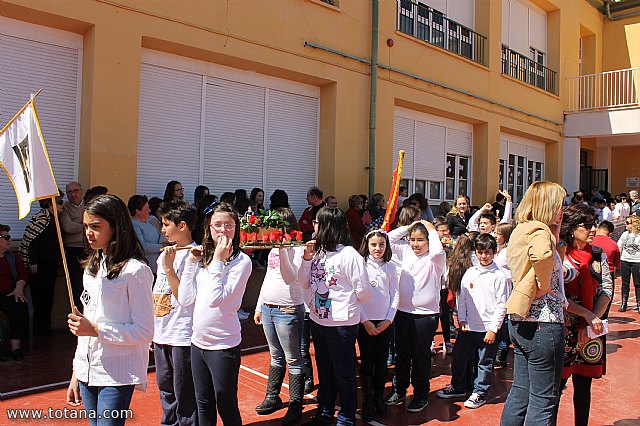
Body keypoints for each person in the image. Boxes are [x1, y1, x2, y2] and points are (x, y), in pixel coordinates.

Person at [66, 195, 154, 424]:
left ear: (116, 227)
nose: (88, 233)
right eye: (85, 226)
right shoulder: (92, 268)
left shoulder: (135, 272)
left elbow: (145, 332)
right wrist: (77, 371)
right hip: (88, 371)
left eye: (96, 227)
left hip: (117, 373)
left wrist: (96, 329)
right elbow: (84, 327)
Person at [178, 202, 252, 425]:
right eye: (216, 225)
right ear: (208, 228)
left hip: (223, 345)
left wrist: (218, 260)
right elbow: (185, 299)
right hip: (198, 342)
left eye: (228, 225)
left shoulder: (242, 262)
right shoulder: (204, 258)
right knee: (203, 403)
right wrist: (191, 262)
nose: (222, 230)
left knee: (226, 403)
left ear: (236, 228)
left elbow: (214, 300)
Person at [500, 181, 567, 426]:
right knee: (543, 399)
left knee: (520, 392)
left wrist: (555, 231)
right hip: (544, 322)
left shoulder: (522, 228)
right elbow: (542, 255)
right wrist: (543, 286)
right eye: (560, 204)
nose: (563, 209)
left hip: (520, 321)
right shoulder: (540, 232)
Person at [297, 207, 371, 426]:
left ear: (328, 226)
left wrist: (345, 303)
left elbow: (364, 292)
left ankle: (347, 417)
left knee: (344, 372)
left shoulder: (349, 255)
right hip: (318, 320)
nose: (314, 227)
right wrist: (306, 258)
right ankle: (325, 412)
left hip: (341, 324)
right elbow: (303, 282)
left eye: (317, 223)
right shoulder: (317, 253)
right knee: (325, 370)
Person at [437, 234, 508, 409]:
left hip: (487, 329)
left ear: (494, 252)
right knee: (460, 358)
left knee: (484, 362)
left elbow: (502, 305)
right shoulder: (470, 273)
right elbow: (463, 299)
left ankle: (480, 392)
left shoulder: (500, 276)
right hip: (468, 328)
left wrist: (493, 329)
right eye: (481, 252)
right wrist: (462, 319)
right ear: (475, 253)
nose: (484, 256)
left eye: (488, 252)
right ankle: (458, 387)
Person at [558, 203, 612, 426]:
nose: (593, 229)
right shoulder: (561, 255)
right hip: (564, 327)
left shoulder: (599, 255)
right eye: (587, 225)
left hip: (592, 329)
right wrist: (587, 316)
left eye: (594, 224)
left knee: (584, 386)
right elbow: (558, 295)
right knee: (556, 386)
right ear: (572, 228)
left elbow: (607, 289)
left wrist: (591, 322)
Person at [385, 219, 446, 412]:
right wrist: (410, 226)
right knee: (402, 354)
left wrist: (431, 229)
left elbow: (437, 250)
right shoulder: (405, 252)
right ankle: (399, 389)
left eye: (420, 240)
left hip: (425, 315)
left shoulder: (436, 258)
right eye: (412, 239)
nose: (415, 244)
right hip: (403, 312)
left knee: (420, 357)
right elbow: (388, 239)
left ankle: (421, 394)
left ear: (428, 241)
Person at [253, 208, 306, 425]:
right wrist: (259, 305)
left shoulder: (297, 247)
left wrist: (283, 248)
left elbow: (289, 277)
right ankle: (272, 396)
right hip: (269, 308)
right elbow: (269, 276)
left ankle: (295, 403)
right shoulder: (274, 248)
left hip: (288, 310)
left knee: (293, 358)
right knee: (275, 356)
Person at [153, 201, 198, 426]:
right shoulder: (165, 255)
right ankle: (168, 423)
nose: (162, 230)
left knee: (185, 390)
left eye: (166, 224)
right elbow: (157, 293)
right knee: (165, 386)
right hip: (162, 331)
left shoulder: (196, 255)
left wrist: (170, 268)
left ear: (182, 226)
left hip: (182, 334)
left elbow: (184, 297)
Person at [357, 229, 398, 421]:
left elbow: (395, 294)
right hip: (365, 323)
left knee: (381, 363)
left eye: (381, 244)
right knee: (367, 362)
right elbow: (355, 296)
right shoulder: (360, 265)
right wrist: (365, 321)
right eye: (374, 244)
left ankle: (378, 398)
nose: (378, 248)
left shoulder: (390, 267)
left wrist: (388, 320)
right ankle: (367, 400)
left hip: (384, 323)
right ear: (367, 245)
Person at [18, 193, 64, 335]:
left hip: (50, 264)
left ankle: (45, 326)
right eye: (59, 202)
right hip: (40, 265)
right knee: (38, 297)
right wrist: (33, 263)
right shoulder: (41, 218)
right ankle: (34, 328)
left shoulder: (54, 218)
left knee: (48, 296)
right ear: (50, 205)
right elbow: (31, 241)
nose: (62, 205)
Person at [0, 225, 28, 361]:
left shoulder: (13, 257)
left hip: (10, 293)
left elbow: (22, 274)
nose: (9, 240)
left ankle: (15, 347)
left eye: (9, 237)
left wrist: (19, 287)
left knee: (19, 306)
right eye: (5, 237)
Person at [60, 181, 85, 310]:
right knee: (76, 285)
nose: (73, 194)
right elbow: (68, 227)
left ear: (82, 191)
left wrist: (78, 224)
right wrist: (85, 225)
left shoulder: (89, 206)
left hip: (88, 249)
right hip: (73, 251)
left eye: (76, 190)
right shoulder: (64, 208)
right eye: (70, 192)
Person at [493, 222, 516, 367]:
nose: (495, 236)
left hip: (507, 289)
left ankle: (502, 351)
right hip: (499, 288)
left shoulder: (508, 252)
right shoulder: (500, 250)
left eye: (498, 234)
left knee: (505, 321)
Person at [128, 195, 167, 276]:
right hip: (146, 268)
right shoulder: (134, 225)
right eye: (147, 208)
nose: (149, 210)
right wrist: (162, 247)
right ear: (138, 211)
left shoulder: (149, 222)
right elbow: (142, 247)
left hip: (156, 267)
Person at [617, 215, 640, 312]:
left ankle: (639, 303)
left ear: (633, 224)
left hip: (637, 261)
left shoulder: (639, 236)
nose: (625, 225)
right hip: (625, 260)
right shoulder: (624, 234)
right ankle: (624, 303)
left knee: (638, 283)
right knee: (625, 283)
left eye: (627, 223)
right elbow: (619, 247)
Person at [592, 221, 621, 287]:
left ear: (598, 228)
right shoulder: (613, 244)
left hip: (593, 272)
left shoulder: (590, 241)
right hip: (608, 273)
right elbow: (616, 263)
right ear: (610, 233)